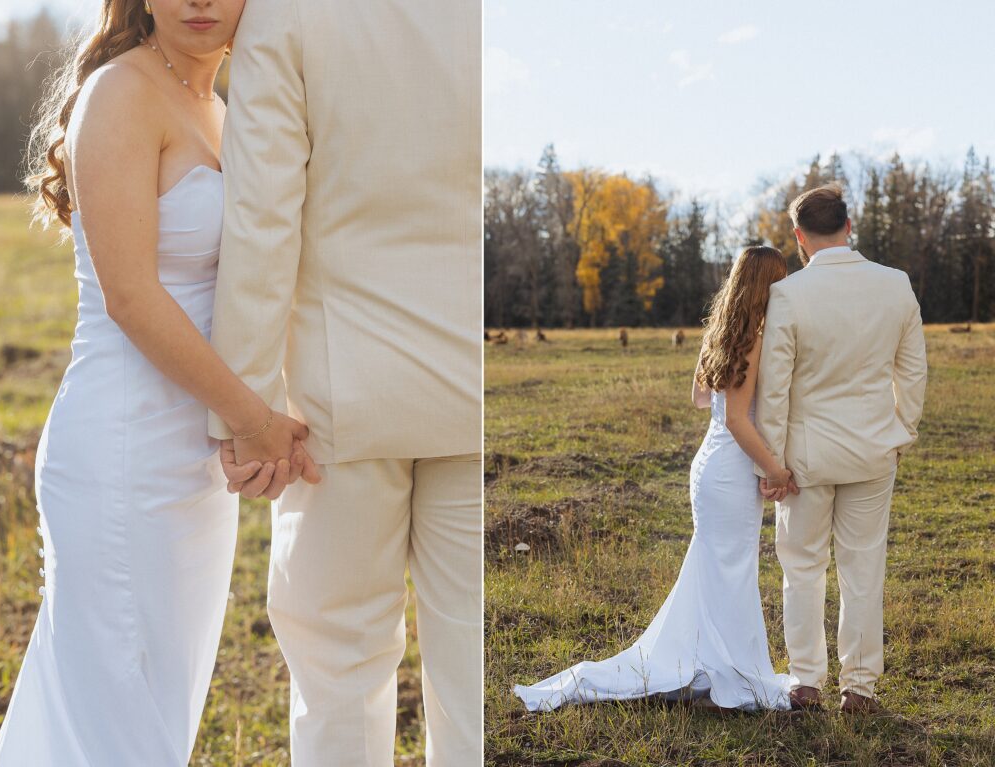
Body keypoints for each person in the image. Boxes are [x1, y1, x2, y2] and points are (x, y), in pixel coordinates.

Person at [0, 1, 315, 764]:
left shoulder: (223, 110)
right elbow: (131, 297)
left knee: (157, 708)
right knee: (119, 716)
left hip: (192, 461)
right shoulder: (121, 92)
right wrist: (252, 418)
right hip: (121, 451)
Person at [206, 0, 483, 764]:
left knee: (339, 669)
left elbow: (262, 220)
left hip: (342, 397)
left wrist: (248, 408)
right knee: (472, 667)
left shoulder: (282, 15)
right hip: (473, 389)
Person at [514, 246, 794, 713]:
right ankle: (734, 674)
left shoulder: (720, 332)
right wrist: (775, 468)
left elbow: (700, 399)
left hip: (709, 465)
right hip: (730, 469)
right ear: (769, 285)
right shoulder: (753, 339)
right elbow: (736, 421)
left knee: (716, 568)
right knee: (731, 570)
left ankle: (710, 663)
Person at [756, 184, 927, 713]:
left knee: (802, 568)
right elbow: (912, 371)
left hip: (804, 458)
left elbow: (775, 387)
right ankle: (860, 687)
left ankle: (807, 681)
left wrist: (774, 462)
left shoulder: (788, 294)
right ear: (849, 228)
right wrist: (903, 431)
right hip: (874, 449)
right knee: (864, 568)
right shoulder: (895, 284)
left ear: (799, 236)